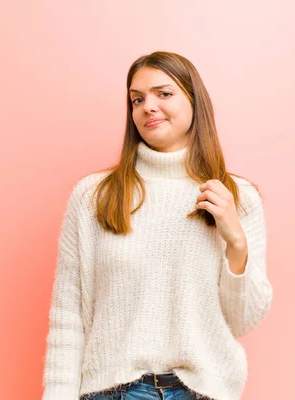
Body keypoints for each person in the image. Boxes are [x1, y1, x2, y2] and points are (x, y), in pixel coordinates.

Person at [41, 51, 273, 400]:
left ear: (195, 102)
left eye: (164, 93)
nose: (148, 106)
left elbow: (244, 321)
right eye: (137, 99)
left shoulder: (236, 198)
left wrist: (235, 241)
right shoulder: (94, 196)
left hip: (202, 390)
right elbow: (68, 315)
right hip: (113, 391)